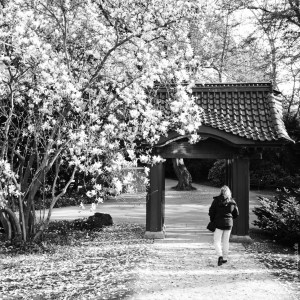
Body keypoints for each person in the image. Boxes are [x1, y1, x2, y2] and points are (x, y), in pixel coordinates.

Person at [208, 185, 239, 266]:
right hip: (229, 223)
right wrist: (231, 218)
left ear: (221, 191)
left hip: (218, 223)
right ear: (229, 192)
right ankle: (225, 258)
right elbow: (236, 213)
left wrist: (212, 220)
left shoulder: (216, 200)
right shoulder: (232, 201)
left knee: (217, 240)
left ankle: (220, 255)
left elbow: (211, 211)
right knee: (226, 241)